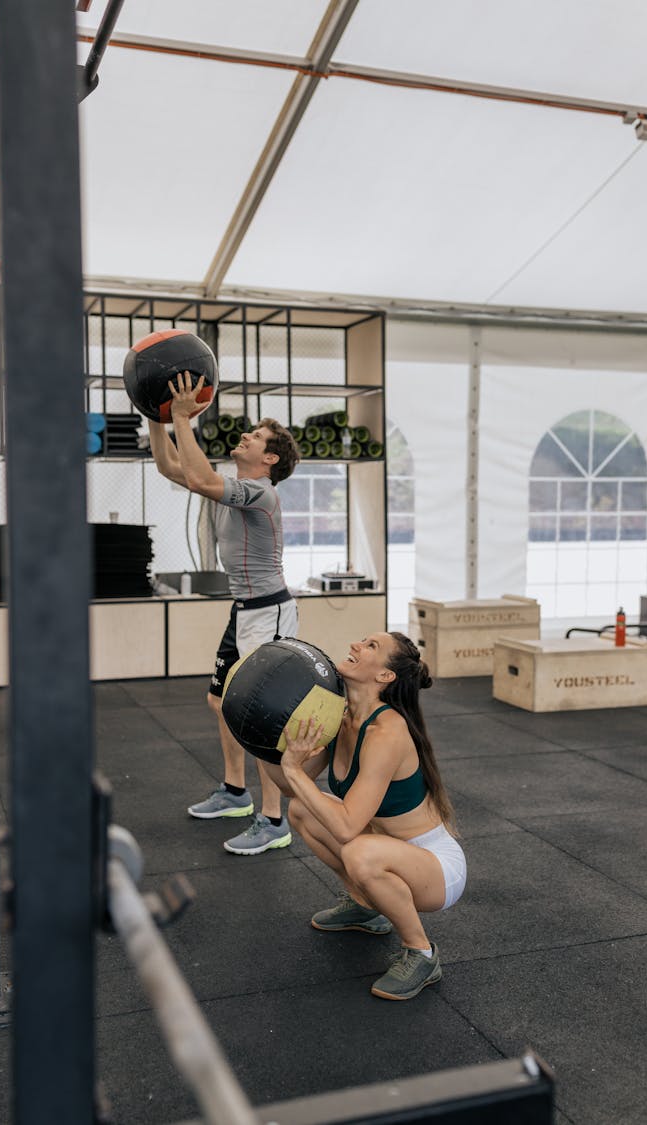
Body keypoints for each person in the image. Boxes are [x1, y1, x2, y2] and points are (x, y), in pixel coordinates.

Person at [148, 370, 301, 855]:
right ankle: (235, 792)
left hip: (269, 614)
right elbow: (173, 469)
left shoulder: (261, 494)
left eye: (254, 437)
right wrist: (158, 418)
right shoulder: (229, 485)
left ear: (270, 458)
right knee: (219, 701)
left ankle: (274, 820)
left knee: (261, 718)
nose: (244, 436)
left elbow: (193, 473)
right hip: (244, 612)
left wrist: (182, 416)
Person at [270, 630, 465, 1000]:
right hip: (384, 850)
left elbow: (346, 827)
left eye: (371, 646)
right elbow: (289, 787)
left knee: (357, 850)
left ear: (385, 676)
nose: (356, 644)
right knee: (301, 810)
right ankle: (365, 905)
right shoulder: (341, 718)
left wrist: (294, 771)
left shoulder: (385, 731)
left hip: (436, 867)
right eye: (361, 639)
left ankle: (421, 953)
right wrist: (264, 739)